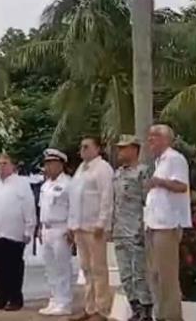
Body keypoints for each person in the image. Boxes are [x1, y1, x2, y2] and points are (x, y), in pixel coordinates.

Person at [0, 153, 36, 312]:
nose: (1, 166)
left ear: (12, 166)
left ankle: (15, 299)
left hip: (13, 233)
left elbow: (29, 207)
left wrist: (29, 229)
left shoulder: (21, 183)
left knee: (13, 267)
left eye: (5, 163)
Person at [144, 125, 191, 321]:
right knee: (154, 274)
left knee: (167, 277)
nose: (149, 142)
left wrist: (158, 182)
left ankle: (172, 317)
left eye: (153, 138)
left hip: (168, 225)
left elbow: (181, 186)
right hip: (154, 224)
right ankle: (160, 315)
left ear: (165, 139)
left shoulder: (174, 158)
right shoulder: (160, 161)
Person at [68, 137, 114, 321]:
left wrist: (102, 223)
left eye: (87, 146)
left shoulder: (103, 168)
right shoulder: (80, 169)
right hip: (80, 226)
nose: (83, 149)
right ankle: (90, 307)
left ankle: (102, 309)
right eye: (81, 146)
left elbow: (106, 197)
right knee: (86, 268)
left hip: (94, 227)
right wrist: (72, 225)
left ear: (97, 149)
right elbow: (75, 199)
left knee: (98, 269)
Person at [113, 135, 153, 321]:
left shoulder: (142, 172)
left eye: (124, 148)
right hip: (120, 231)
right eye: (119, 148)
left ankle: (146, 312)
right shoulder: (118, 173)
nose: (120, 152)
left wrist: (144, 227)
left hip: (136, 230)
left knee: (139, 275)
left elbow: (149, 202)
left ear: (134, 149)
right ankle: (135, 310)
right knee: (125, 275)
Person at [38, 148, 73, 316]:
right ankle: (54, 299)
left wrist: (71, 228)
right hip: (46, 228)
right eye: (46, 164)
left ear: (60, 165)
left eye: (51, 164)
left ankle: (64, 301)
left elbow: (73, 208)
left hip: (61, 228)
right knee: (50, 267)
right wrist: (39, 227)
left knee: (62, 267)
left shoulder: (68, 184)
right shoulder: (45, 185)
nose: (48, 167)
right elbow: (42, 209)